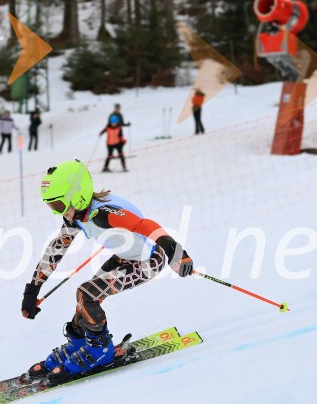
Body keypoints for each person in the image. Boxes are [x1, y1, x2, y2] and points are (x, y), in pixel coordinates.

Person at [20, 160, 193, 379]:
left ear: (77, 195)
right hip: (124, 258)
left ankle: (100, 350)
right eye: (52, 206)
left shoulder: (104, 213)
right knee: (85, 300)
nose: (57, 213)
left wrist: (176, 251)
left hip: (149, 261)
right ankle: (80, 343)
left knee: (87, 294)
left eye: (58, 206)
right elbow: (56, 250)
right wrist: (32, 291)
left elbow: (145, 225)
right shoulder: (76, 216)